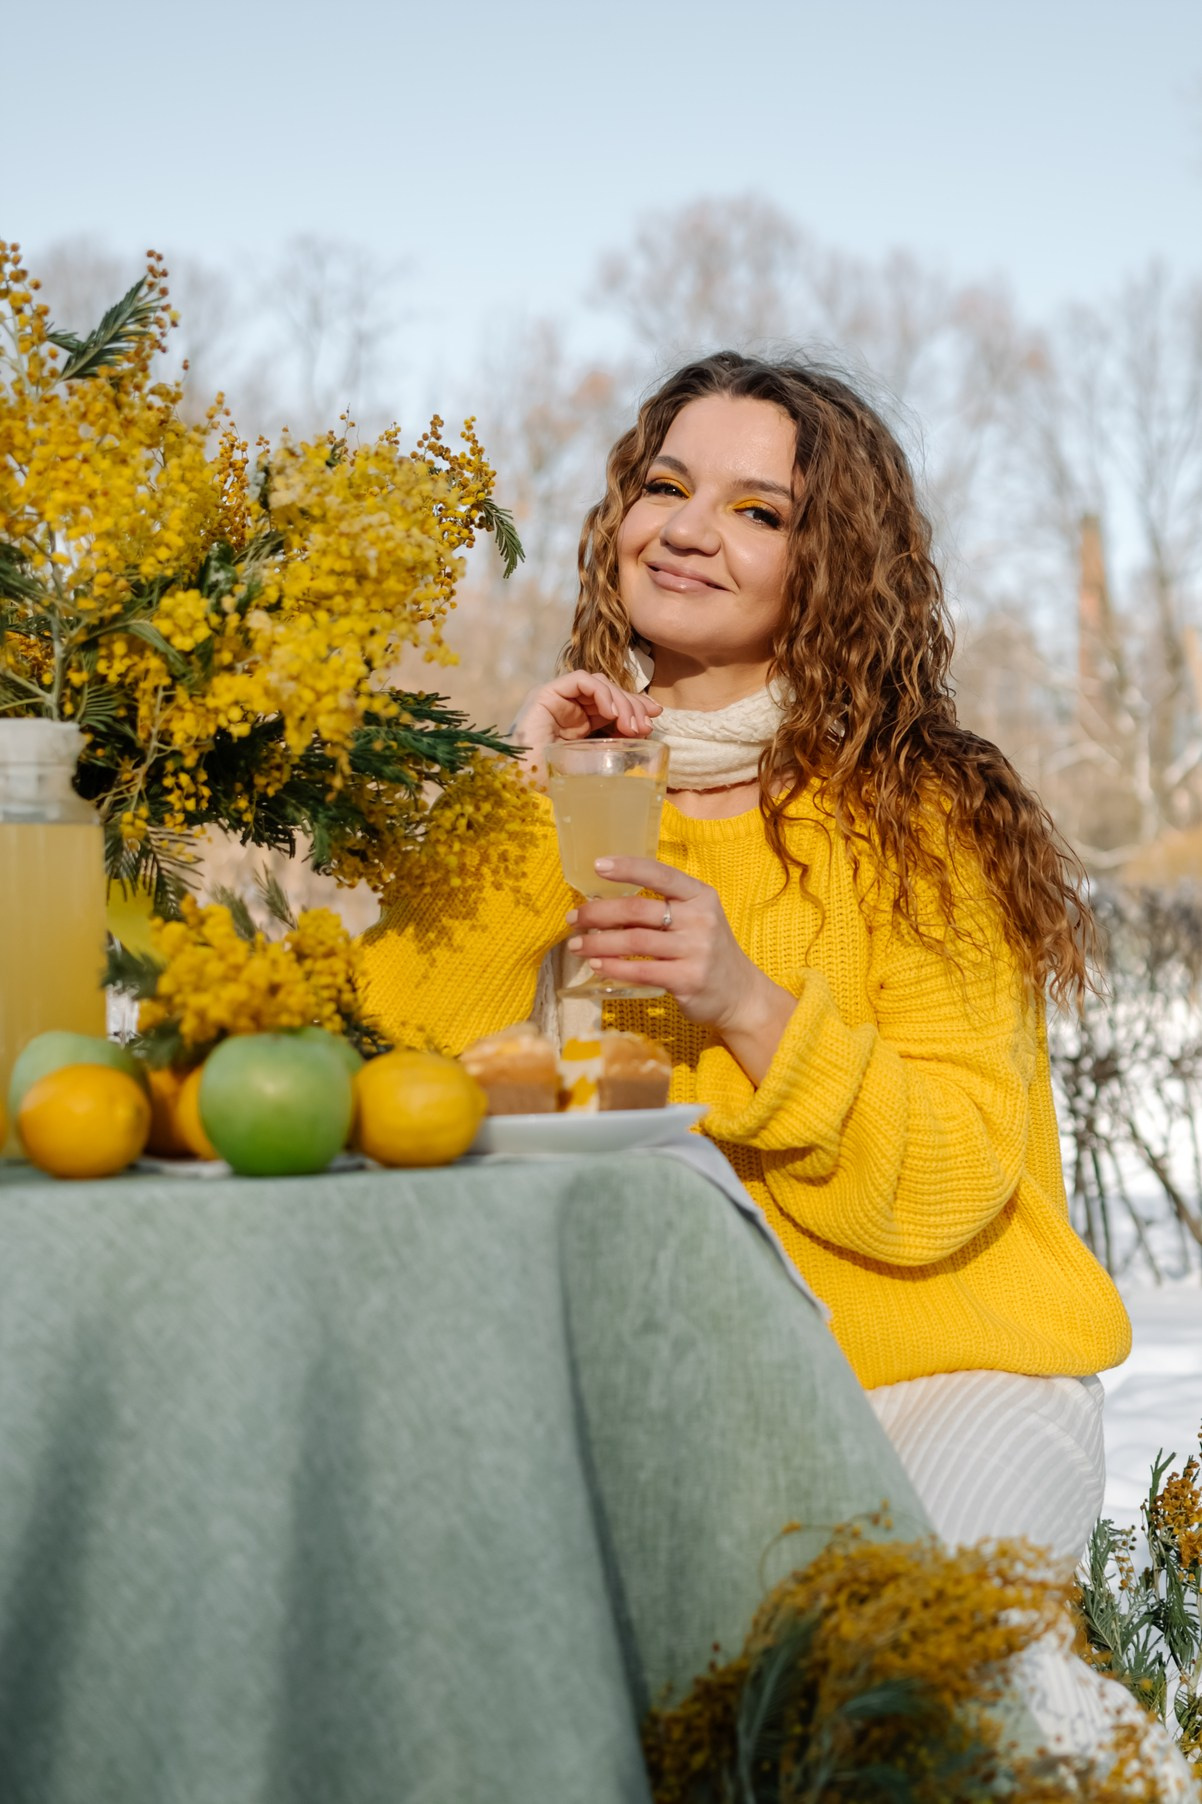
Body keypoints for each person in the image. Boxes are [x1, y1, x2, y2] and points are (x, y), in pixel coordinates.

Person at [361, 351, 1131, 1564]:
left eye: (755, 511)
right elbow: (380, 1059)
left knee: (928, 1681)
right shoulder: (575, 787)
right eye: (664, 487)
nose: (683, 530)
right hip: (657, 1369)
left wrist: (742, 1001)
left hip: (944, 1360)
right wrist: (526, 807)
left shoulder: (924, 816)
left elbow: (953, 1174)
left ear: (828, 570)